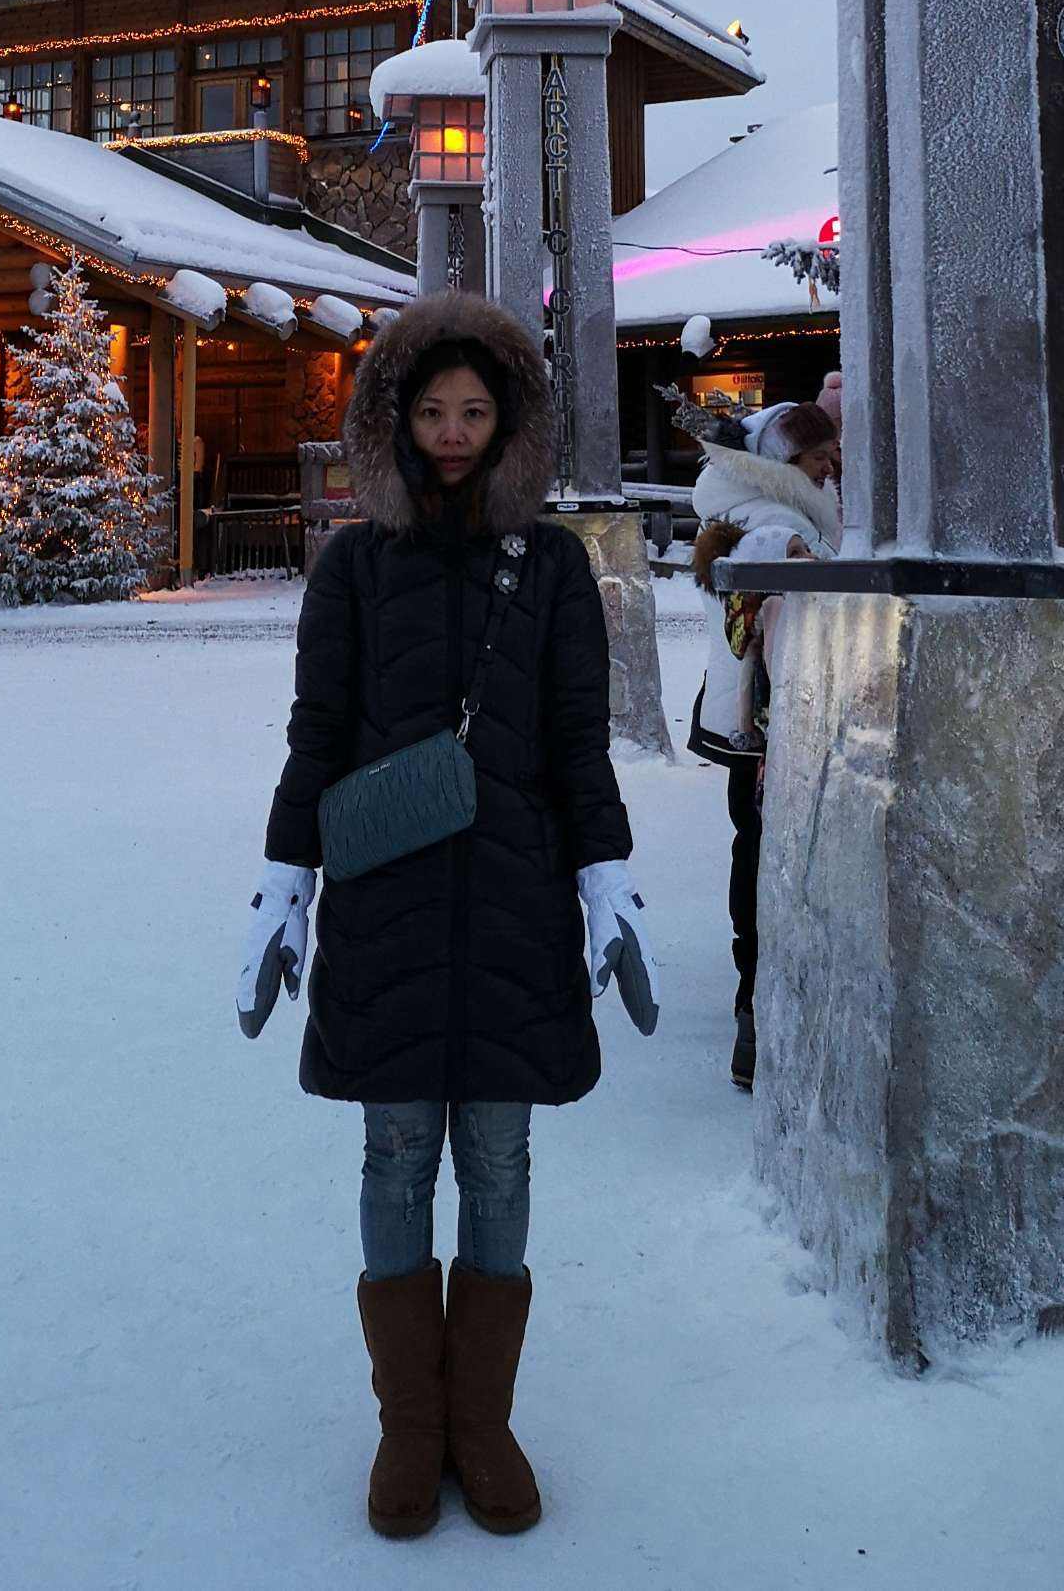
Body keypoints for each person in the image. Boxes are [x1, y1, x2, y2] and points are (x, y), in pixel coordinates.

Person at [235, 292, 656, 1540]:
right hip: (390, 898)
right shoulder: (358, 566)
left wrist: (607, 880)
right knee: (395, 1153)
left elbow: (578, 743)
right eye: (430, 411)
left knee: (502, 1159)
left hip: (518, 895)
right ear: (395, 421)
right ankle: (409, 1429)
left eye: (475, 410)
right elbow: (318, 736)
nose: (453, 432)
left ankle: (483, 1421)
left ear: (510, 418)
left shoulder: (554, 566)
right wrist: (282, 885)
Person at [687, 397, 842, 1091]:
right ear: (784, 465)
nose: (830, 466)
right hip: (772, 729)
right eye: (817, 458)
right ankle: (760, 1009)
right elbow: (778, 596)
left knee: (752, 852)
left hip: (751, 724)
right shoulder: (779, 525)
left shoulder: (760, 513)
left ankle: (756, 1003)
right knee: (766, 859)